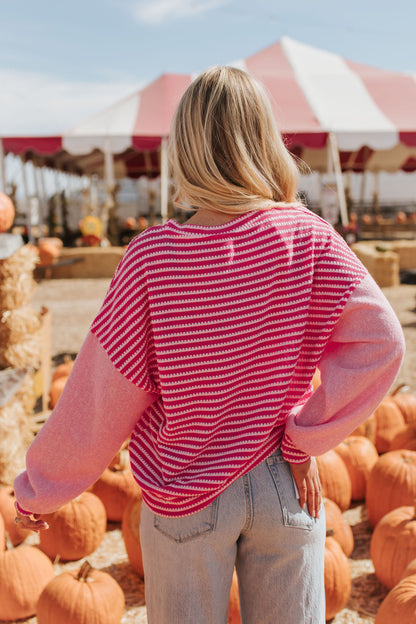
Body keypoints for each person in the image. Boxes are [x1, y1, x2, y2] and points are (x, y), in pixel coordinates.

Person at [14, 66, 405, 624]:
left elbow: (100, 394)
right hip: (283, 481)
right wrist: (305, 438)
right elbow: (383, 343)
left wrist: (40, 489)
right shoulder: (312, 238)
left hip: (184, 490)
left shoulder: (151, 258)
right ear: (268, 142)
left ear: (187, 150)